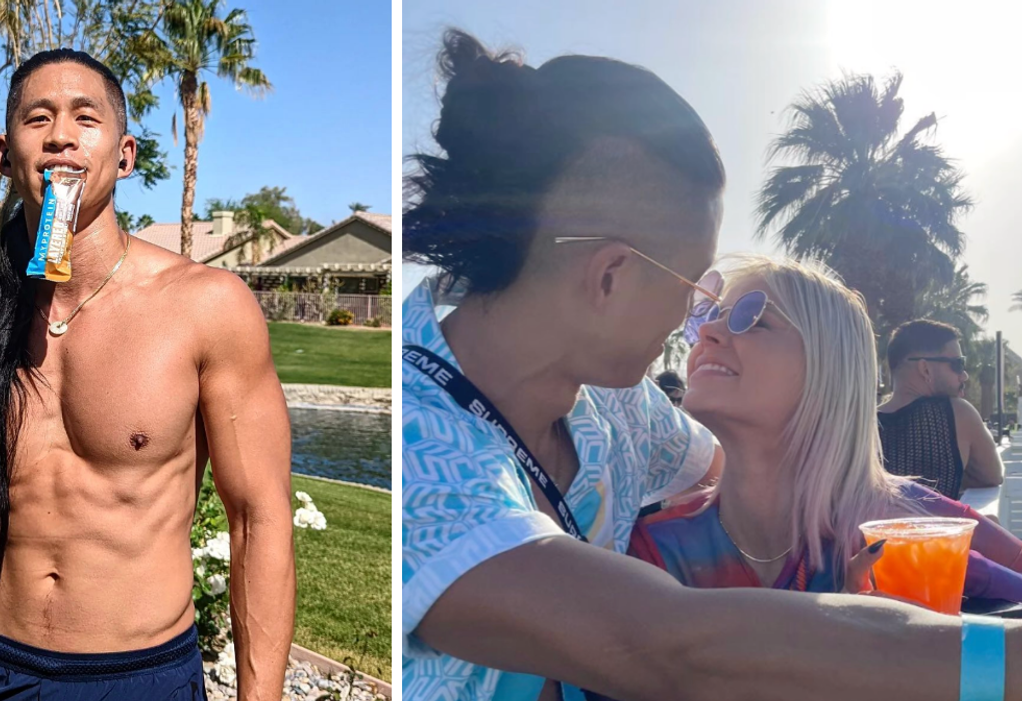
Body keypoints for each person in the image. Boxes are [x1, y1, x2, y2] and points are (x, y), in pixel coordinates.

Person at [401, 29, 1022, 701]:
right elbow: (672, 648)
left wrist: (861, 501)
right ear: (610, 277)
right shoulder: (418, 446)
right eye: (697, 289)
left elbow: (758, 470)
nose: (699, 324)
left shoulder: (616, 406)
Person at [0, 49, 295, 701]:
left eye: (84, 118)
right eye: (37, 118)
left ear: (124, 155)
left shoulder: (205, 306)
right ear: (3, 152)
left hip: (137, 676)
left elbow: (257, 518)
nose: (61, 135)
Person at [628, 256, 1022, 602]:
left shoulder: (903, 528)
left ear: (829, 369)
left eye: (752, 319)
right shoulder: (653, 550)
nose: (709, 333)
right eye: (710, 317)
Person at [878, 320, 1004, 498]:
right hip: (936, 525)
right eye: (957, 364)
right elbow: (991, 476)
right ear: (925, 369)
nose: (964, 375)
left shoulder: (861, 423)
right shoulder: (956, 414)